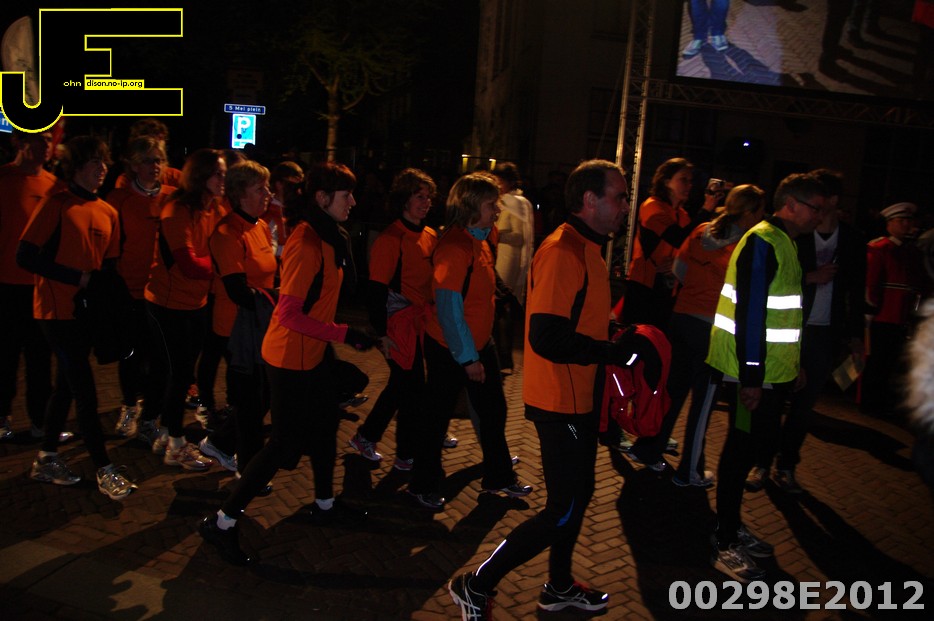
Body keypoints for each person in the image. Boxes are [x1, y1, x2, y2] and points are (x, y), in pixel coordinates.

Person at [449, 159, 648, 618]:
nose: (626, 205)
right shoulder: (563, 251)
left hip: (578, 397)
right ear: (590, 200)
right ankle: (476, 584)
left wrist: (616, 334)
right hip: (561, 401)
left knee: (578, 496)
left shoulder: (587, 247)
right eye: (619, 196)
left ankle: (558, 586)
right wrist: (612, 352)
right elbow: (546, 336)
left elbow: (577, 322)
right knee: (563, 507)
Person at [199, 161, 375, 565]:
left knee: (325, 427)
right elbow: (289, 315)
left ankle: (325, 504)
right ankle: (222, 522)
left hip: (312, 351)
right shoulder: (307, 242)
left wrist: (340, 333)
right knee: (281, 444)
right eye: (345, 194)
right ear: (322, 198)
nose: (353, 201)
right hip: (290, 357)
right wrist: (344, 333)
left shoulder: (330, 236)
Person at [706, 173, 826, 582]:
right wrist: (753, 378)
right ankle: (724, 539)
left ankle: (730, 525)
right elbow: (751, 313)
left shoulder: (783, 241)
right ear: (790, 204)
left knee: (751, 448)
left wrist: (793, 365)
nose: (819, 216)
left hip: (769, 374)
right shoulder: (763, 241)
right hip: (750, 375)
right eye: (815, 208)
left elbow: (782, 316)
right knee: (739, 451)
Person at [16, 135, 137, 500]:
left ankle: (46, 457)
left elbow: (108, 266)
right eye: (94, 162)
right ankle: (104, 468)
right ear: (78, 165)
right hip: (55, 311)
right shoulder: (56, 204)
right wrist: (78, 278)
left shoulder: (108, 212)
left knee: (67, 387)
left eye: (104, 162)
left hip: (86, 313)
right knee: (84, 390)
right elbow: (25, 255)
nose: (102, 168)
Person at [406, 173, 531, 511]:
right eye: (492, 204)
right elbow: (449, 308)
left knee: (493, 411)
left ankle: (498, 477)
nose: (498, 210)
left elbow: (483, 282)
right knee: (436, 418)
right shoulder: (455, 246)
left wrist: (504, 295)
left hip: (476, 344)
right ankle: (422, 485)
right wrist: (468, 358)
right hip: (451, 348)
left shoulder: (480, 239)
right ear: (472, 206)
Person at [626, 185, 766, 484]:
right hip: (711, 329)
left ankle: (648, 448)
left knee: (673, 391)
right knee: (703, 403)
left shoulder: (702, 230)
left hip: (682, 319)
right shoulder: (746, 244)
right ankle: (690, 470)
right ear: (751, 212)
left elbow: (678, 269)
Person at [746, 170, 866, 494]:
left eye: (821, 200)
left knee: (804, 406)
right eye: (813, 201)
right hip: (788, 328)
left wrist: (856, 337)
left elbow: (856, 291)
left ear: (833, 200)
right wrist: (811, 277)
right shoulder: (794, 235)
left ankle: (786, 465)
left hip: (824, 333)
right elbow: (773, 281)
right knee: (772, 401)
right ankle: (761, 462)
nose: (817, 208)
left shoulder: (852, 239)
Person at [136, 149, 228, 470]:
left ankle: (162, 429)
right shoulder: (176, 210)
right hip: (166, 303)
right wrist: (223, 264)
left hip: (196, 303)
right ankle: (175, 443)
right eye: (218, 173)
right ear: (201, 176)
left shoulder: (214, 208)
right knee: (178, 373)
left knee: (177, 371)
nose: (224, 179)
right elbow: (189, 264)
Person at [350, 168, 438, 470]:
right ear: (404, 200)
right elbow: (375, 291)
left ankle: (371, 438)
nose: (426, 202)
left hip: (418, 323)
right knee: (409, 386)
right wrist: (382, 334)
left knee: (404, 385)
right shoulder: (391, 239)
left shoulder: (429, 235)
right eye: (419, 197)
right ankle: (403, 452)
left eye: (428, 197)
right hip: (396, 324)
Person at [197, 161, 278, 477]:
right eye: (260, 189)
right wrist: (280, 298)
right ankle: (249, 469)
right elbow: (239, 291)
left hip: (260, 325)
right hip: (235, 329)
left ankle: (220, 443)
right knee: (251, 401)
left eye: (267, 187)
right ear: (241, 193)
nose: (268, 193)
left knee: (260, 397)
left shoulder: (259, 226)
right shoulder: (227, 233)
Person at [105, 136, 176, 437]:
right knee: (131, 354)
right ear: (133, 165)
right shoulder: (118, 199)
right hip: (129, 290)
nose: (154, 166)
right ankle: (129, 405)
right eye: (147, 160)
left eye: (158, 160)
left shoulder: (173, 197)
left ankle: (151, 415)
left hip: (162, 291)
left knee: (160, 357)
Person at [0, 130, 63, 440]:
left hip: (41, 287)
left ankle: (41, 422)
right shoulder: (4, 179)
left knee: (41, 359)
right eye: (39, 139)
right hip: (5, 285)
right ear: (19, 142)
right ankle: (2, 417)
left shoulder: (55, 185)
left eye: (49, 139)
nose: (45, 146)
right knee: (5, 357)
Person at [623, 157, 718, 329]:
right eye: (683, 180)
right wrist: (706, 210)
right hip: (643, 286)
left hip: (667, 289)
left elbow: (689, 247)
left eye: (690, 181)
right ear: (666, 181)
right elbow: (677, 237)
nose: (688, 185)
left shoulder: (682, 215)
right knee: (636, 335)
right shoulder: (652, 206)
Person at [860, 202, 929, 418]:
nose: (907, 225)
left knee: (890, 361)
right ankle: (868, 402)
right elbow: (871, 282)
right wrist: (870, 311)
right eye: (902, 221)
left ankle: (881, 400)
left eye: (909, 220)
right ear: (889, 223)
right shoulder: (880, 248)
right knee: (876, 361)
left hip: (901, 316)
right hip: (882, 315)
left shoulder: (911, 251)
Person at [490, 162, 534, 374]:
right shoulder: (504, 201)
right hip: (499, 258)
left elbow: (519, 236)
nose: (497, 185)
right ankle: (500, 357)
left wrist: (495, 232)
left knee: (502, 308)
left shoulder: (515, 203)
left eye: (500, 181)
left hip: (508, 261)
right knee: (498, 310)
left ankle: (503, 358)